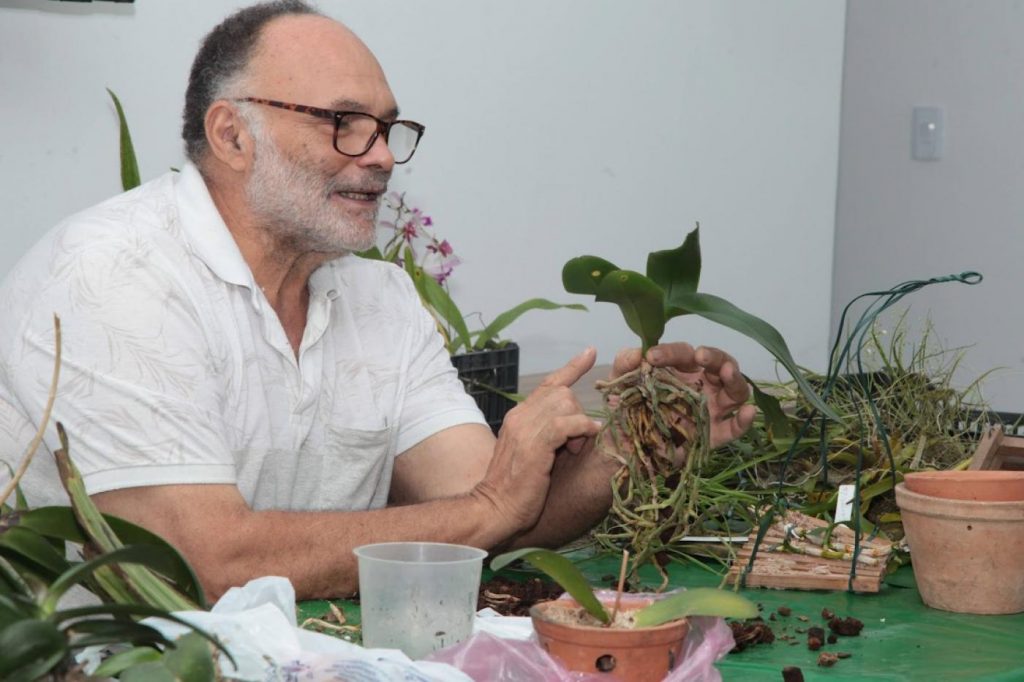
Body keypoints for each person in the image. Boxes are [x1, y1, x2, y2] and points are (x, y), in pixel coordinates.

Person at [0, 0, 754, 601]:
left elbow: (494, 510)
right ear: (232, 134)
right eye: (344, 124)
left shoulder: (380, 296)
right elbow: (197, 562)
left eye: (389, 128)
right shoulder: (113, 278)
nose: (385, 156)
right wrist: (489, 507)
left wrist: (635, 442)